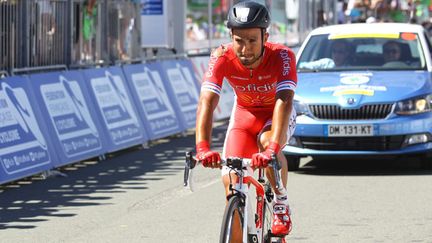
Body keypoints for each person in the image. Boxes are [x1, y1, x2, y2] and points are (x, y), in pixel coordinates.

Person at [195, 1, 297, 241]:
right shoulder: (221, 56)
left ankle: (281, 203)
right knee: (232, 184)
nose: (245, 49)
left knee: (265, 142)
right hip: (244, 115)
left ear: (265, 36)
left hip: (275, 114)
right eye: (239, 40)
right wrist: (202, 147)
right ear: (231, 36)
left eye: (252, 40)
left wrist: (272, 148)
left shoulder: (282, 56)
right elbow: (207, 102)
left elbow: (284, 100)